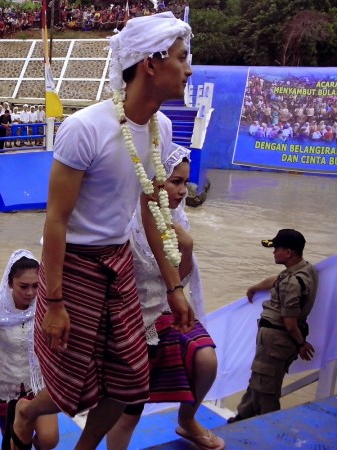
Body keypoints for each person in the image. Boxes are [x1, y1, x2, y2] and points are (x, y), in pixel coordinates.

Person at [10, 12, 194, 450]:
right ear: (150, 63)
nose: (189, 69)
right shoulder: (85, 128)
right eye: (182, 58)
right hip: (72, 266)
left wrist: (173, 285)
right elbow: (55, 219)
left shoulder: (161, 129)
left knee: (133, 380)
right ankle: (27, 410)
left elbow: (151, 209)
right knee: (73, 386)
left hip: (119, 260)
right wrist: (53, 301)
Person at [106, 145, 224, 450]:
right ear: (153, 182)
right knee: (127, 410)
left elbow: (180, 278)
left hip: (165, 310)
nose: (183, 191)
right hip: (128, 320)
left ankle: (187, 420)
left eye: (185, 182)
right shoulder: (123, 223)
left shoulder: (178, 220)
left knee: (206, 358)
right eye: (175, 182)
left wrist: (187, 246)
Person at [228, 229, 318, 423]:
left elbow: (290, 322)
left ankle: (270, 428)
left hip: (276, 343)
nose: (273, 252)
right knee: (258, 382)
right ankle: (241, 418)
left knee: (266, 390)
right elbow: (278, 280)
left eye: (277, 248)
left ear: (289, 252)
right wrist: (255, 288)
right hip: (277, 342)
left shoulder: (293, 283)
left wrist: (302, 344)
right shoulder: (305, 270)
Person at [0, 250, 58, 450]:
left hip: (40, 384)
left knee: (49, 439)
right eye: (23, 286)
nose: (30, 293)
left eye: (36, 286)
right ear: (10, 283)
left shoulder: (49, 306)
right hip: (7, 385)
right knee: (13, 444)